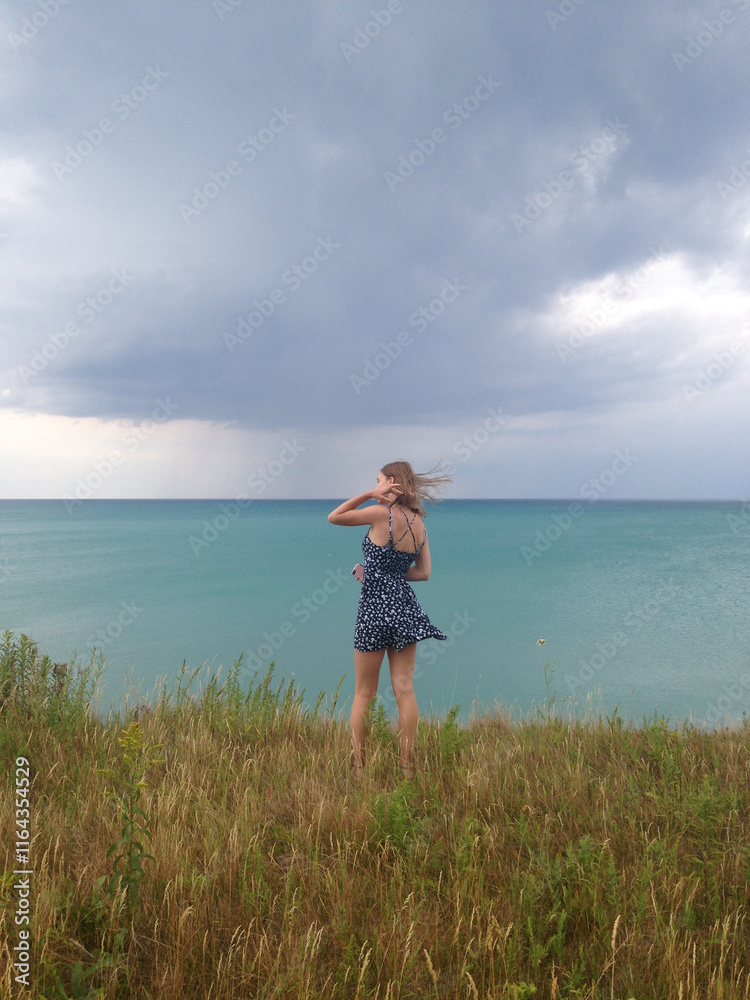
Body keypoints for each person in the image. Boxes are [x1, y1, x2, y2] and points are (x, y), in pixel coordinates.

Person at [328, 461, 451, 779]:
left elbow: (334, 517)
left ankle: (358, 768)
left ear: (390, 482)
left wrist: (370, 494)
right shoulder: (420, 524)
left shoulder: (381, 513)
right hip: (404, 608)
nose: (377, 484)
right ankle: (407, 767)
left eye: (379, 480)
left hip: (373, 610)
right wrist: (388, 575)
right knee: (404, 688)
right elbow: (423, 573)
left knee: (363, 693)